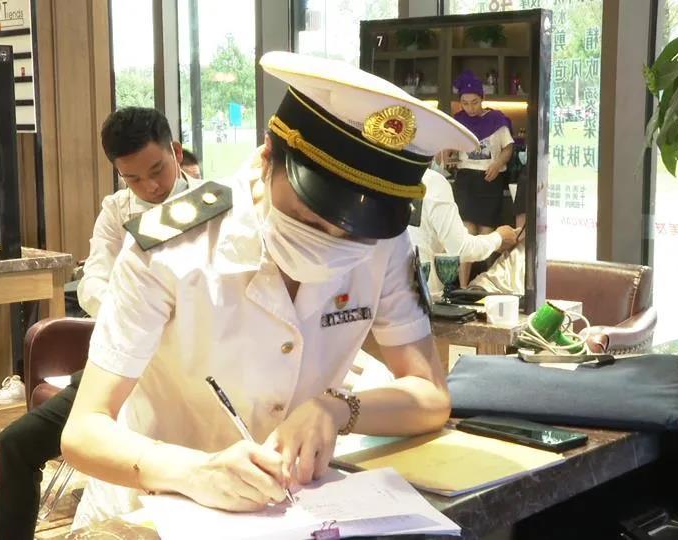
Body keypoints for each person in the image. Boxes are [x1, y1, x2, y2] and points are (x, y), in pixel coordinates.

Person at [62, 51, 478, 528]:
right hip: (150, 514)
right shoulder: (170, 247)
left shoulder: (385, 243)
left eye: (353, 233)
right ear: (267, 158)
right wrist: (194, 471)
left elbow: (430, 396)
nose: (330, 241)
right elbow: (84, 431)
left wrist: (336, 409)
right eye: (309, 218)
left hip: (291, 515)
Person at [0, 107, 202, 540]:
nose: (150, 187)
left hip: (188, 371)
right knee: (16, 443)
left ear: (176, 152)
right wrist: (131, 318)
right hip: (119, 369)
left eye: (157, 170)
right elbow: (93, 282)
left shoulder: (213, 206)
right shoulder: (117, 210)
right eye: (132, 178)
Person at [447, 70, 514, 286]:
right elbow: (449, 149)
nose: (470, 108)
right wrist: (448, 155)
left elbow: (508, 148)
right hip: (466, 179)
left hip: (490, 178)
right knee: (466, 232)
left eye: (474, 102)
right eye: (465, 103)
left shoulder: (497, 120)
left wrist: (498, 163)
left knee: (487, 232)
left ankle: (488, 284)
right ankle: (463, 285)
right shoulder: (458, 121)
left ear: (482, 99)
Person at [409, 169, 517, 295]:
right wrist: (498, 238)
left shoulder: (391, 177)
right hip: (423, 293)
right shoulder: (433, 182)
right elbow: (459, 248)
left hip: (393, 288)